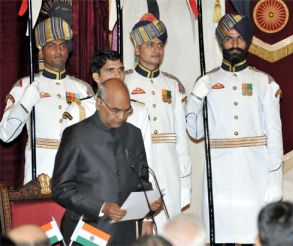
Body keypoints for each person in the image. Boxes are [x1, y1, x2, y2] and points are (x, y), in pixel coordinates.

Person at [186, 13, 283, 245]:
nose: (234, 44)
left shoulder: (264, 82)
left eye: (240, 38)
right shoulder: (207, 81)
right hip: (220, 175)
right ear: (221, 42)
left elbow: (275, 135)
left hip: (255, 173)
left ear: (248, 41)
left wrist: (275, 179)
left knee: (255, 236)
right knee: (222, 235)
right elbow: (196, 132)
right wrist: (196, 99)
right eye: (228, 38)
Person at [52, 79, 162, 244]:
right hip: (87, 231)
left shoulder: (134, 134)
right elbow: (61, 189)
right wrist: (102, 207)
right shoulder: (76, 135)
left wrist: (149, 205)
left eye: (127, 111)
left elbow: (142, 181)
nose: (122, 117)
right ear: (98, 103)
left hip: (126, 233)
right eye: (116, 110)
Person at [0, 17, 93, 183]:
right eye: (51, 45)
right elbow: (5, 135)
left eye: (62, 45)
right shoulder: (25, 85)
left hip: (76, 173)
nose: (58, 50)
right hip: (40, 173)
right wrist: (26, 101)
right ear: (41, 52)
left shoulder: (83, 88)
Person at [126, 13, 191, 229]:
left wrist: (185, 179)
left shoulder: (172, 85)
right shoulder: (123, 82)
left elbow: (181, 137)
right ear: (136, 49)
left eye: (160, 44)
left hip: (168, 165)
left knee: (168, 226)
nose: (156, 49)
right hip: (136, 164)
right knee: (138, 229)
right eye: (149, 44)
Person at [61, 49, 153, 179]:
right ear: (96, 77)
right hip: (91, 188)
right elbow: (68, 161)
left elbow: (146, 158)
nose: (118, 75)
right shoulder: (78, 110)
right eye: (110, 70)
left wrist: (149, 194)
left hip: (128, 188)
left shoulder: (139, 111)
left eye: (120, 70)